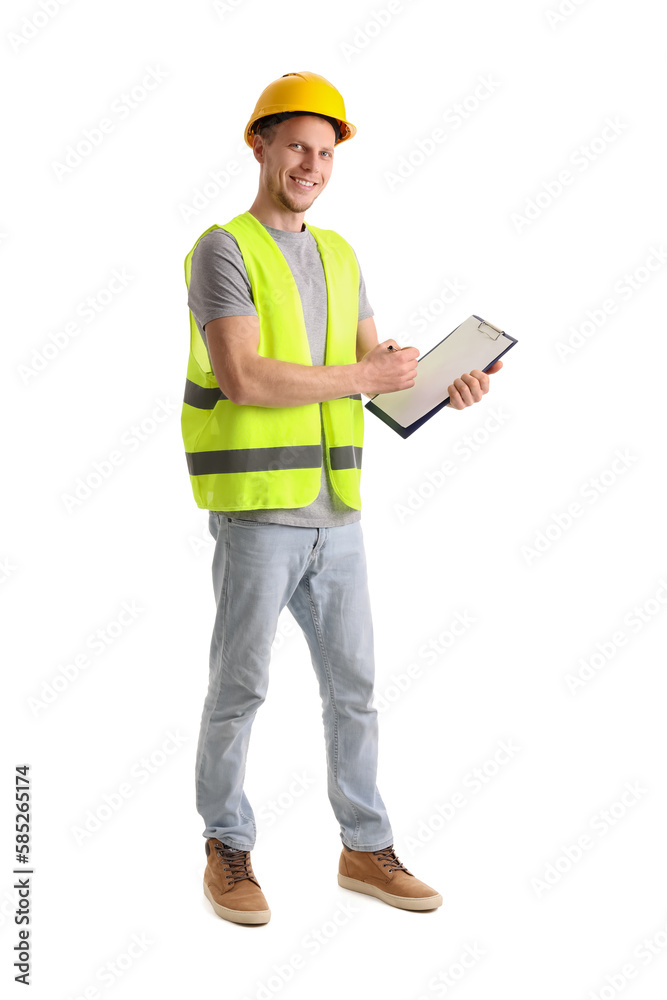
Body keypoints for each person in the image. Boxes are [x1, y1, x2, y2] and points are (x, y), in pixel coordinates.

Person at [182, 71, 502, 926]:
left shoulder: (340, 254)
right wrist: (367, 373)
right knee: (240, 689)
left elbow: (379, 389)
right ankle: (226, 845)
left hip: (338, 512)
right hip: (258, 511)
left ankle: (364, 847)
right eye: (296, 146)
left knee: (354, 688)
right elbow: (245, 375)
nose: (311, 165)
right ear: (258, 144)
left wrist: (442, 385)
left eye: (324, 153)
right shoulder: (224, 249)